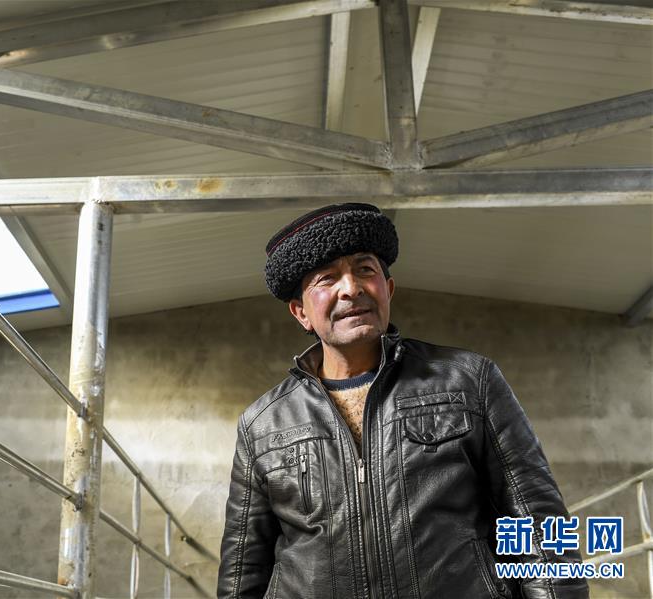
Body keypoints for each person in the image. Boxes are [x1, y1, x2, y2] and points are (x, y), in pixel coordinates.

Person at [216, 203, 588, 599]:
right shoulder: (263, 424)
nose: (351, 288)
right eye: (327, 278)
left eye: (365, 270)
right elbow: (243, 572)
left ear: (388, 290)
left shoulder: (469, 380)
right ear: (301, 313)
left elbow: (538, 522)